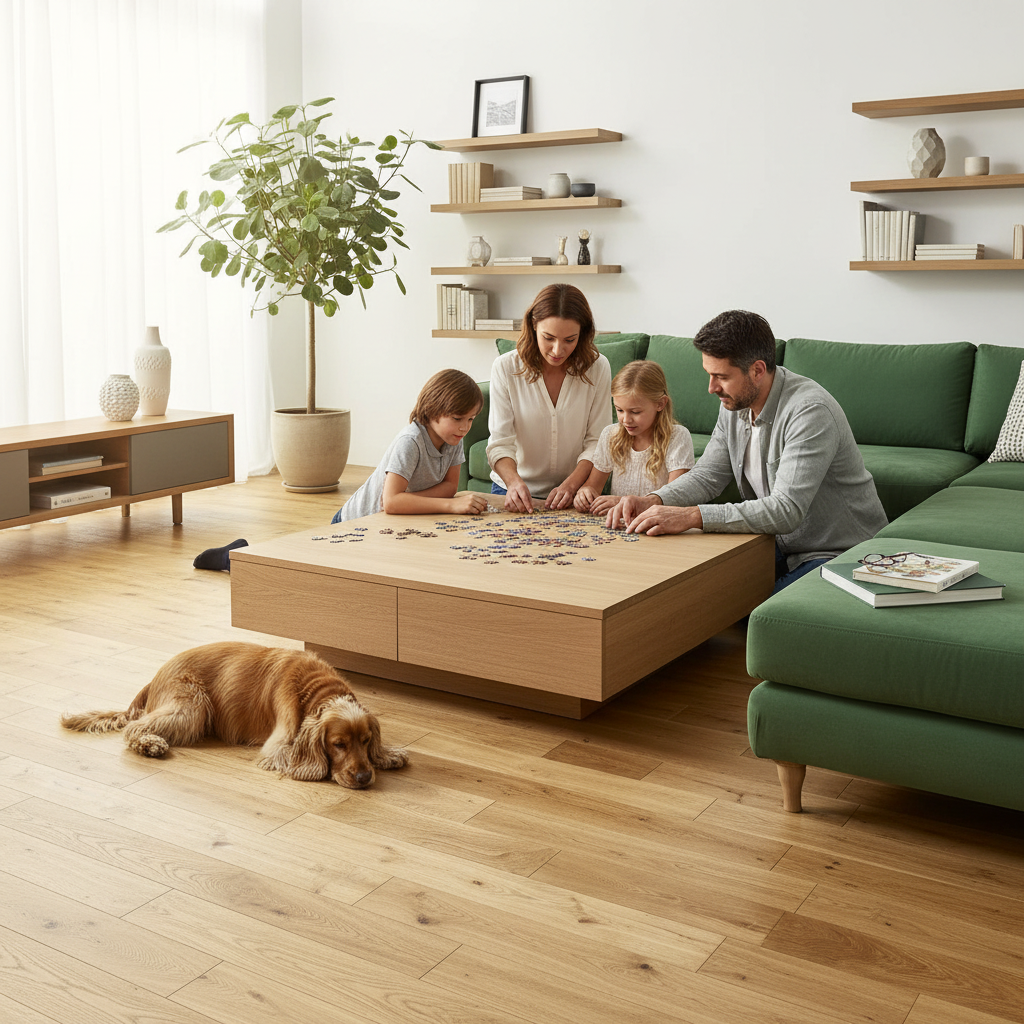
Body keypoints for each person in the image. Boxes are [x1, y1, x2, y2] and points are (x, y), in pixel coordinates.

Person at [605, 310, 888, 593]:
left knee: (761, 608)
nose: (711, 388)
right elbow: (707, 475)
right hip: (777, 544)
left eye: (721, 377)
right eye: (709, 374)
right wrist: (653, 500)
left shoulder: (810, 411)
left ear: (757, 371)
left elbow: (786, 510)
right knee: (693, 589)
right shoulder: (734, 403)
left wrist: (690, 516)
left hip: (841, 554)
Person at [486, 283, 612, 513]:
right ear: (533, 326)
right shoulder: (505, 367)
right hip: (514, 491)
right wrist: (514, 483)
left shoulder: (598, 367)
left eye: (569, 340)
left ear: (582, 334)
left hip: (576, 491)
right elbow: (499, 443)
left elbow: (598, 441)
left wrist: (571, 485)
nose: (557, 350)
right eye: (549, 338)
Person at [332, 368, 489, 523]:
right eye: (457, 418)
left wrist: (407, 501)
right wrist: (451, 505)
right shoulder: (410, 441)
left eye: (471, 419)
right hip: (355, 521)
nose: (465, 427)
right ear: (432, 410)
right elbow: (392, 502)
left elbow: (449, 487)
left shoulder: (454, 438)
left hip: (394, 520)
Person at [574, 360, 694, 514]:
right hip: (616, 525)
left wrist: (621, 501)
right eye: (619, 410)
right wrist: (584, 494)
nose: (625, 419)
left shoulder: (678, 437)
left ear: (660, 404)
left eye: (635, 412)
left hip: (657, 525)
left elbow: (676, 500)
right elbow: (592, 486)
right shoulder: (610, 435)